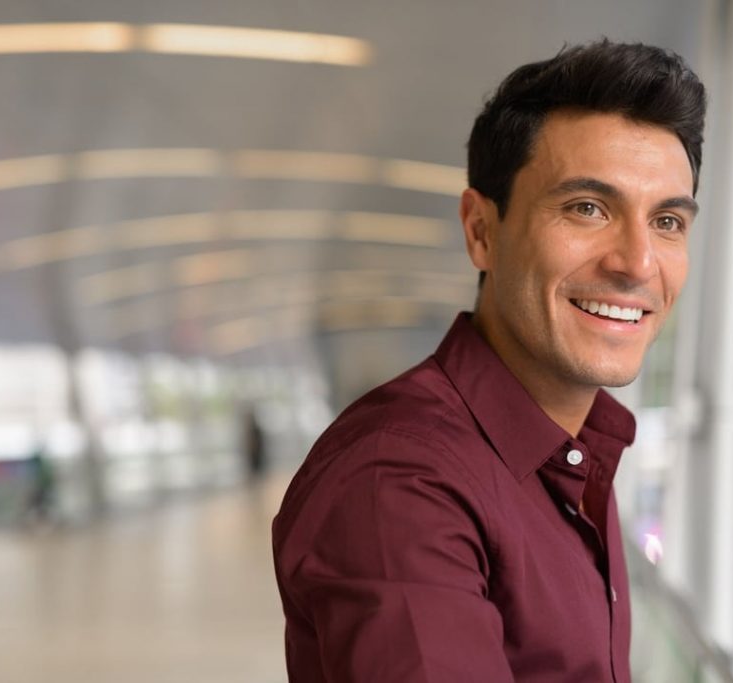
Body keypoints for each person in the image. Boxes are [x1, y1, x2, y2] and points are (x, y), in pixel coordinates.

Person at [272, 39, 706, 682]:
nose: (637, 263)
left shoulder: (576, 453)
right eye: (587, 209)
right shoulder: (398, 483)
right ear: (481, 231)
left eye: (668, 221)